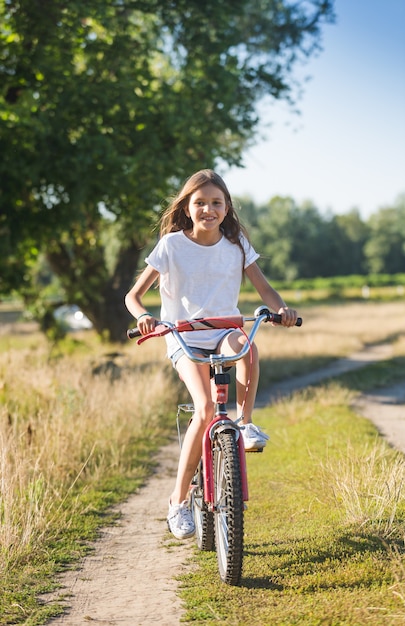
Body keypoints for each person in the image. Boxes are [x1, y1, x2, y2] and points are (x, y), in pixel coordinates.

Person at [125, 169, 298, 540]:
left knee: (246, 346)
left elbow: (266, 291)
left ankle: (246, 422)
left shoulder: (235, 246)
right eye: (200, 202)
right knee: (203, 409)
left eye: (216, 202)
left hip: (223, 332)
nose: (208, 209)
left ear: (226, 207)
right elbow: (133, 296)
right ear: (187, 208)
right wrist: (144, 317)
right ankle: (178, 501)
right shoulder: (171, 246)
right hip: (183, 337)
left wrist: (282, 311)